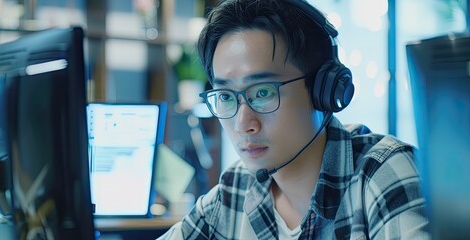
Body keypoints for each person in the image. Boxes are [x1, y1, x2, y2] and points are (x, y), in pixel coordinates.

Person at [159, 0, 430, 239]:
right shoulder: (235, 190)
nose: (243, 124)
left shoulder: (382, 173)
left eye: (262, 92)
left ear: (324, 90)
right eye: (226, 96)